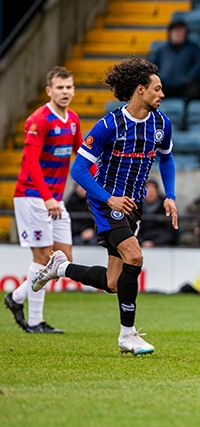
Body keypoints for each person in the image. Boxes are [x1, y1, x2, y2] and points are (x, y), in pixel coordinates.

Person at [31, 57, 179, 356]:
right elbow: (80, 171)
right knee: (134, 257)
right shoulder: (109, 125)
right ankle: (128, 334)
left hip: (133, 204)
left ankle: (61, 267)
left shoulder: (161, 123)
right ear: (140, 90)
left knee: (113, 282)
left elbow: (166, 158)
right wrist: (107, 197)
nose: (162, 94)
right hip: (107, 203)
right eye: (157, 89)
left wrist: (170, 194)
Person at [3, 66, 83, 334]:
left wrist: (92, 182)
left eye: (69, 87)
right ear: (49, 91)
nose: (65, 92)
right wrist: (48, 197)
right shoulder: (39, 120)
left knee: (63, 259)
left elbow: (81, 156)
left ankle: (15, 298)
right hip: (32, 197)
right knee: (44, 256)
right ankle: (35, 321)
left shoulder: (72, 119)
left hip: (54, 199)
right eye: (60, 88)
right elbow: (30, 162)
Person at [148, 20, 200, 104]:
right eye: (175, 32)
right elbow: (153, 67)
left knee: (195, 92)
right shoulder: (161, 51)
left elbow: (199, 65)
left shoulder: (194, 49)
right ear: (170, 33)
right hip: (164, 86)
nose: (178, 35)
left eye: (180, 32)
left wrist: (189, 78)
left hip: (185, 86)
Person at [138, 179, 177, 247]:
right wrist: (142, 242)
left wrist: (154, 243)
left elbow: (170, 232)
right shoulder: (137, 207)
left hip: (163, 244)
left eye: (153, 189)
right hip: (141, 243)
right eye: (147, 190)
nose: (150, 192)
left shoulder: (166, 207)